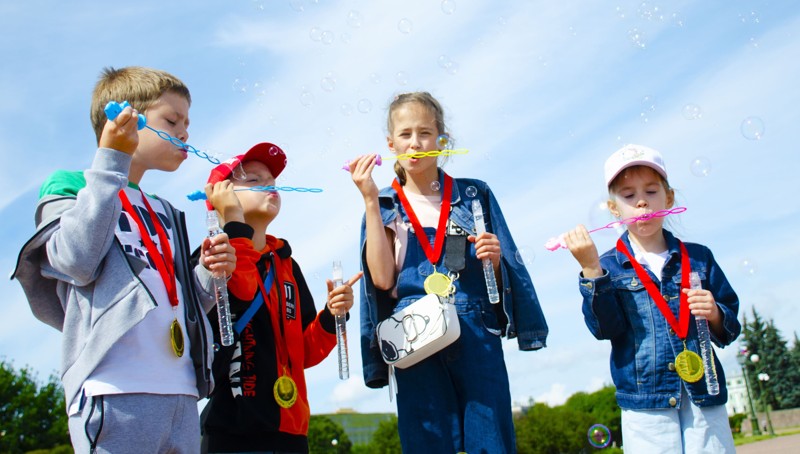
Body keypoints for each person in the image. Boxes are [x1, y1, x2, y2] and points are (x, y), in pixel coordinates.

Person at [11, 66, 236, 453]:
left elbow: (188, 304)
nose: (185, 132)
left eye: (187, 122)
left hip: (181, 392)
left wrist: (210, 271)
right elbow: (77, 260)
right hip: (114, 388)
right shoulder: (73, 186)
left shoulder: (164, 210)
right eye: (172, 119)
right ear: (123, 117)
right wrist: (111, 159)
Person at [347, 92, 548, 453]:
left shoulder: (474, 194)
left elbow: (507, 271)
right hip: (412, 331)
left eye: (425, 132)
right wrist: (369, 200)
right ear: (390, 145)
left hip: (474, 324)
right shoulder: (384, 204)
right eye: (405, 134)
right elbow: (381, 279)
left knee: (492, 438)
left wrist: (496, 258)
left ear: (442, 139)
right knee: (427, 442)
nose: (415, 143)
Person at [563, 144, 740, 452]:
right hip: (645, 403)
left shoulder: (699, 258)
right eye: (629, 196)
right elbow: (605, 329)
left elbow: (731, 327)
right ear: (614, 208)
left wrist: (714, 313)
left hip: (704, 392)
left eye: (652, 191)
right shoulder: (608, 267)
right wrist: (591, 269)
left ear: (668, 198)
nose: (642, 201)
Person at [200, 143, 363, 454]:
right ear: (220, 195)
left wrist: (330, 315)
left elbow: (305, 353)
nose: (270, 187)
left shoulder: (285, 264)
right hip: (234, 428)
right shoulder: (214, 256)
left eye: (273, 183)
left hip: (291, 429)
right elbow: (242, 290)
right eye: (254, 180)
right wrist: (233, 223)